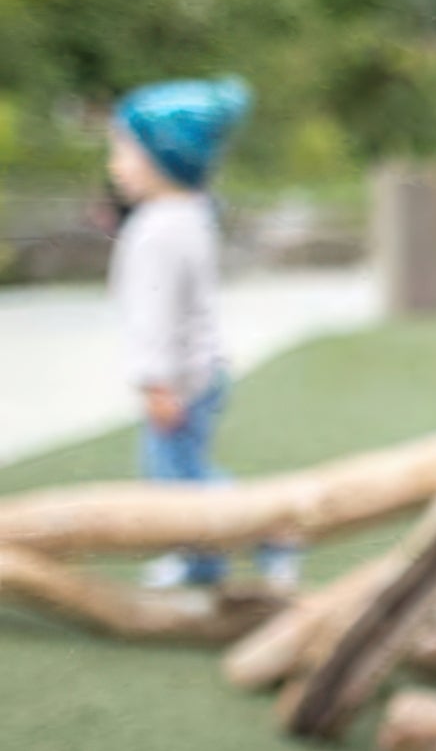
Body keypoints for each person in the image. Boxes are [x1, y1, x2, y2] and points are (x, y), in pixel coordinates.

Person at [107, 76, 296, 590]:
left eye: (123, 151)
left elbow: (156, 314)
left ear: (165, 156)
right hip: (200, 371)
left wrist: (156, 382)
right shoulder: (189, 216)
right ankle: (201, 560)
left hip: (179, 379)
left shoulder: (159, 229)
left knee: (180, 481)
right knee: (183, 474)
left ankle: (269, 530)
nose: (113, 165)